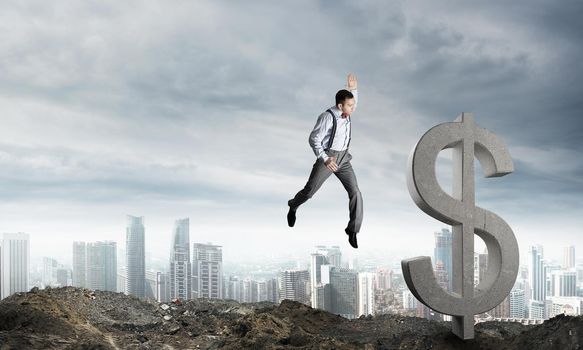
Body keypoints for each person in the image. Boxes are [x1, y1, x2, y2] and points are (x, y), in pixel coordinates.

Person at [287, 73, 363, 248]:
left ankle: (352, 230)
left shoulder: (347, 109)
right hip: (328, 156)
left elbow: (353, 100)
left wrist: (353, 89)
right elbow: (313, 139)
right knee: (310, 191)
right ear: (340, 105)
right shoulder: (327, 117)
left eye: (352, 104)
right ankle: (293, 205)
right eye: (350, 105)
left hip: (344, 157)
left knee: (356, 193)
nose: (353, 108)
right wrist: (325, 158)